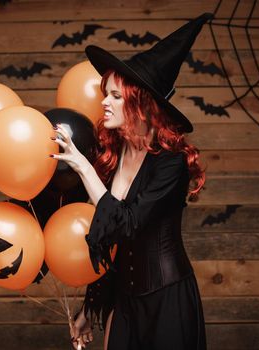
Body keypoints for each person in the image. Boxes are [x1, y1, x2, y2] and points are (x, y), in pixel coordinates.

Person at [50, 13, 212, 350]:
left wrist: (83, 168)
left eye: (115, 96)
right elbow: (114, 245)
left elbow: (128, 224)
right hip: (123, 300)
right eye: (104, 94)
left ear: (141, 103)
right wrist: (88, 307)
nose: (104, 102)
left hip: (167, 300)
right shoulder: (116, 153)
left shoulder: (170, 163)